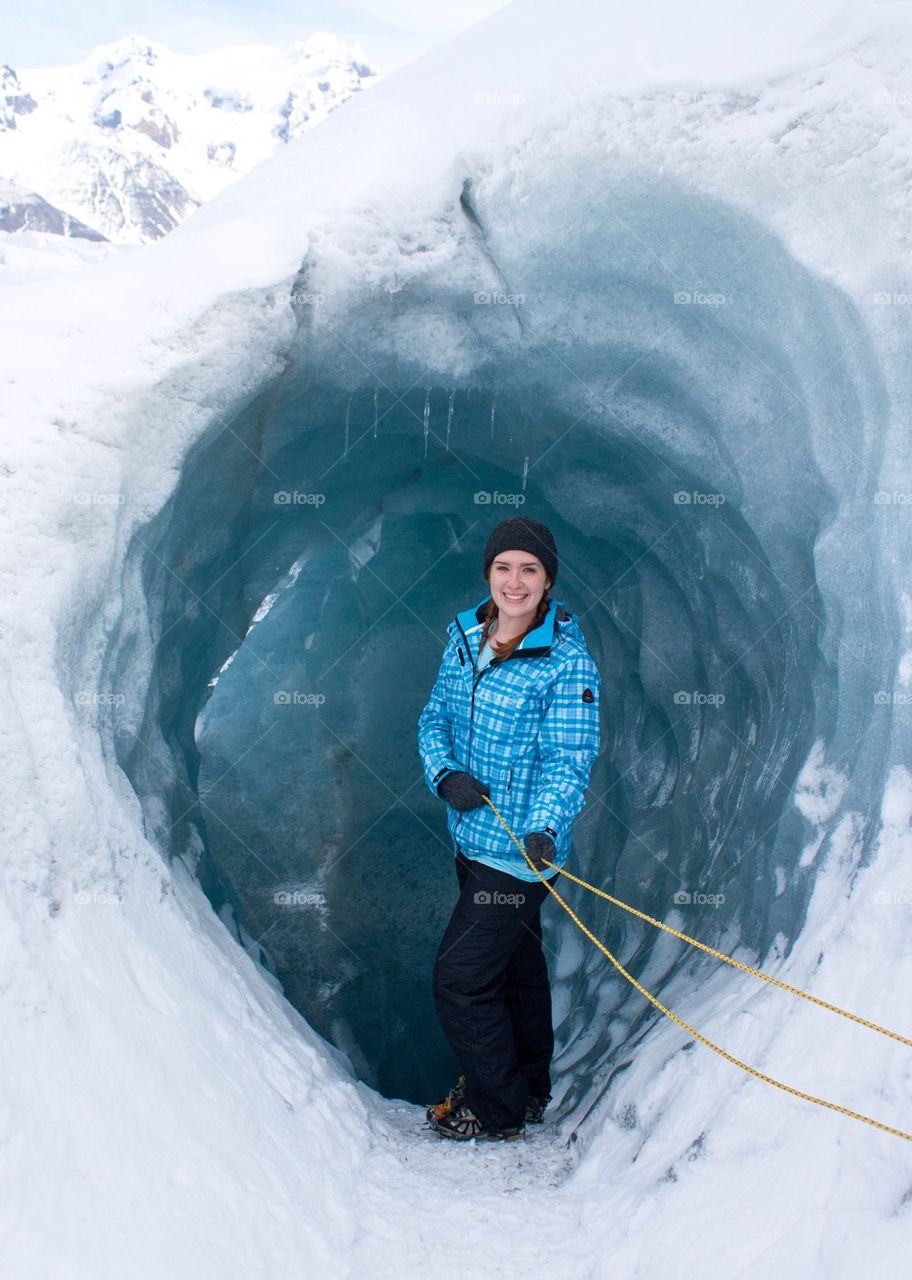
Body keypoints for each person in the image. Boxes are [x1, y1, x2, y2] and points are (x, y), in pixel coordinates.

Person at [417, 516, 601, 1140]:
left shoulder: (565, 663)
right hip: (472, 837)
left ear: (547, 580)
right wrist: (445, 774)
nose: (514, 582)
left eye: (529, 569)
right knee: (516, 964)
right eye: (503, 568)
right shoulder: (466, 636)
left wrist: (547, 827)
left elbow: (568, 759)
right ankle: (528, 1092)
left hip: (521, 856)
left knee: (461, 979)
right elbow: (434, 717)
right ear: (488, 574)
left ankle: (494, 1109)